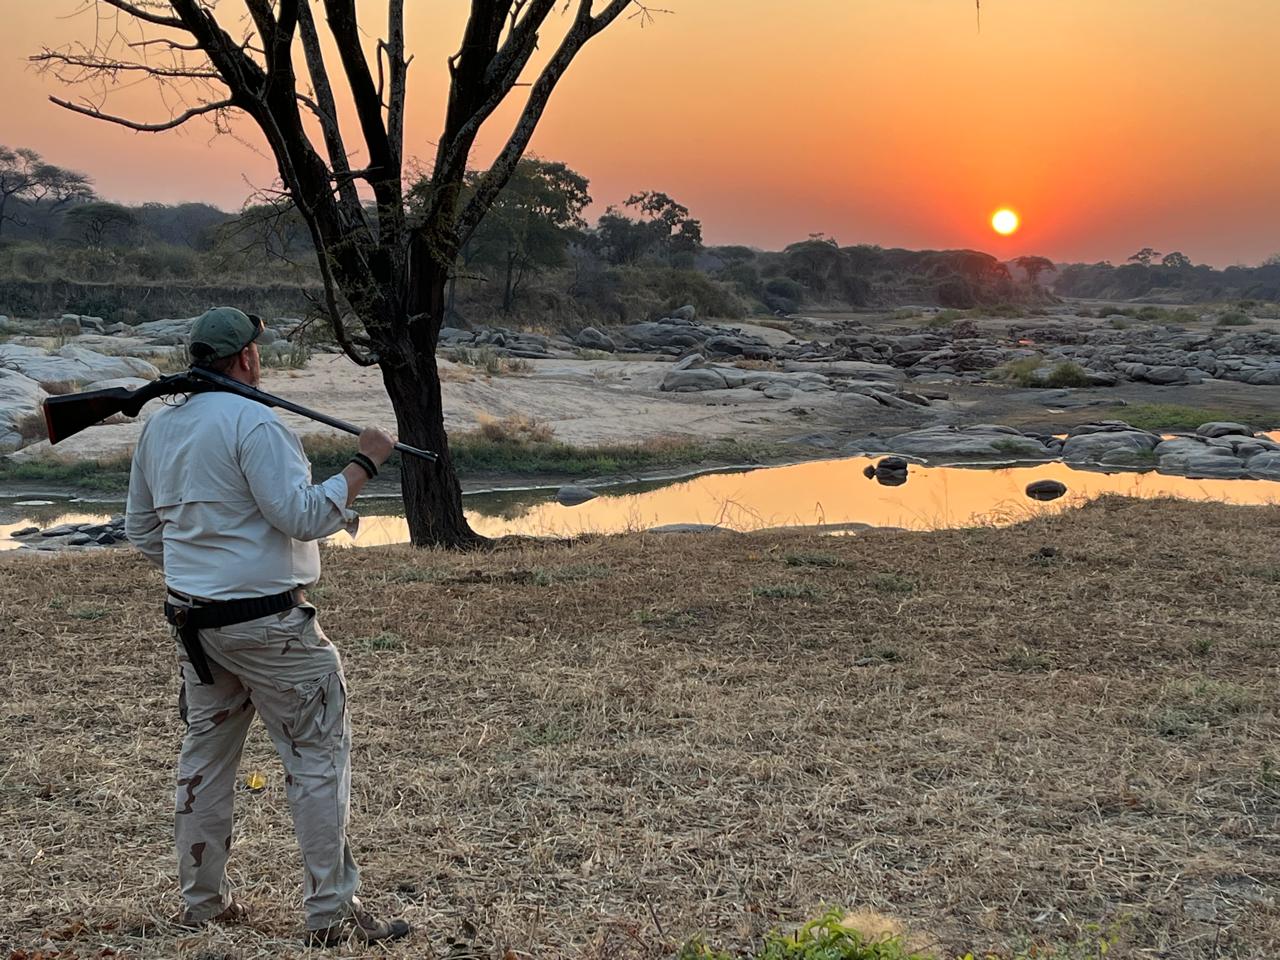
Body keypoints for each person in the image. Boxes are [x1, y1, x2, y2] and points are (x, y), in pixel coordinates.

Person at [125, 306, 411, 947]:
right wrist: (363, 463)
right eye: (258, 350)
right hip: (270, 627)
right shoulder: (256, 422)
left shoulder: (159, 429)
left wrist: (203, 567)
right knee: (316, 759)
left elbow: (142, 531)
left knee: (204, 757)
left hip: (196, 625)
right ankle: (332, 914)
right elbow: (302, 515)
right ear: (248, 358)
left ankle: (202, 905)